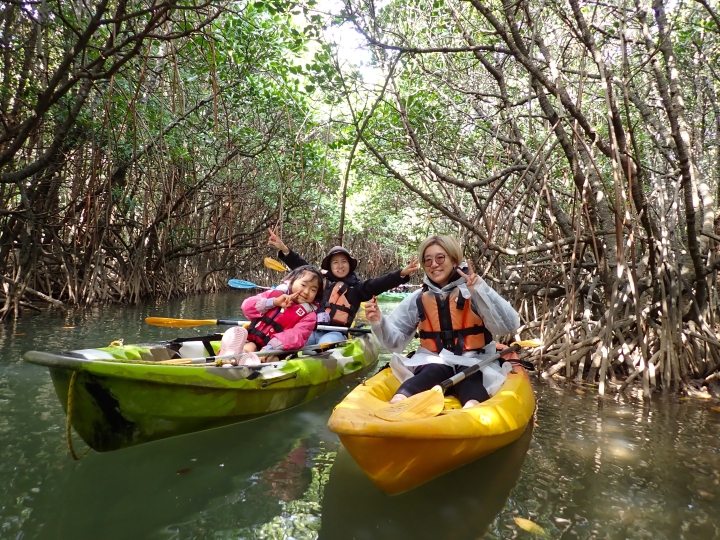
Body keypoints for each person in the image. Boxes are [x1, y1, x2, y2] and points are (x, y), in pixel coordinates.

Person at [364, 234, 520, 408]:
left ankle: (470, 412)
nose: (434, 264)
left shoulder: (472, 290)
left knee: (471, 385)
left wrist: (480, 290)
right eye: (428, 260)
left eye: (440, 258)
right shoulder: (418, 298)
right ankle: (393, 410)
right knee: (411, 387)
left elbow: (508, 326)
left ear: (454, 260)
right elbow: (395, 343)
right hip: (434, 361)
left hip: (474, 361)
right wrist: (378, 321)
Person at [267, 227, 419, 345]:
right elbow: (301, 265)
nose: (340, 266)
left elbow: (380, 283)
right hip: (310, 328)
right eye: (335, 262)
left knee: (325, 344)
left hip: (336, 333)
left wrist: (401, 273)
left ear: (349, 265)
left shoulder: (357, 288)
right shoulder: (319, 280)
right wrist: (284, 248)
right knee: (293, 341)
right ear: (330, 266)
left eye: (344, 262)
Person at [218, 265, 324, 365]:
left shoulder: (310, 315)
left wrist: (269, 348)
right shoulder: (274, 295)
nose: (306, 292)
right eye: (303, 285)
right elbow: (246, 307)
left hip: (278, 350)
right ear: (292, 282)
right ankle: (235, 356)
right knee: (250, 346)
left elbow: (296, 336)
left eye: (313, 290)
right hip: (254, 340)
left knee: (271, 358)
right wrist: (274, 302)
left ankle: (246, 361)